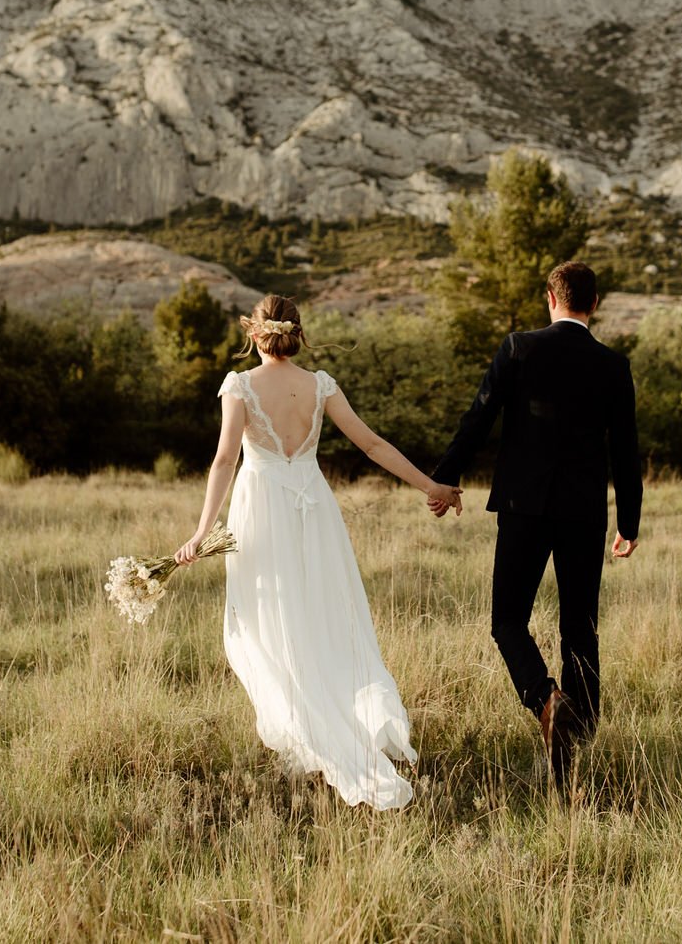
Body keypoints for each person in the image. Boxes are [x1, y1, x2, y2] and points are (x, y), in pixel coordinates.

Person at [174, 294, 464, 809]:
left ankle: (309, 732)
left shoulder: (238, 386)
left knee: (268, 623)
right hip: (315, 514)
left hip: (262, 512)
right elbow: (373, 445)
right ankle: (332, 725)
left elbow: (223, 461)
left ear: (254, 335)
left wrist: (201, 532)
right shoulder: (320, 385)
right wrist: (430, 485)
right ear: (298, 334)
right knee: (325, 620)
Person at [428, 260, 642, 790]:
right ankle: (579, 736)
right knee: (580, 627)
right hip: (584, 512)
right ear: (594, 304)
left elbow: (477, 418)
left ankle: (546, 700)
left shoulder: (518, 347)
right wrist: (629, 522)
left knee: (507, 621)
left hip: (523, 507)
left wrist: (445, 478)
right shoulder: (613, 365)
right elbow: (627, 453)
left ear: (551, 298)